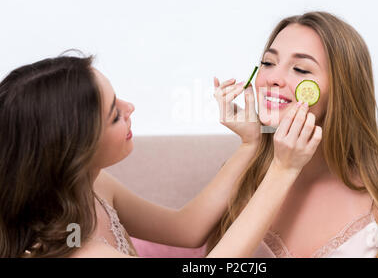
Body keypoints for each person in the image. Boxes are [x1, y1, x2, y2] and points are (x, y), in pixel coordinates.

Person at [0, 52, 322, 257]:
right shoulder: (82, 253)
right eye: (115, 114)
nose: (130, 109)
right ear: (75, 151)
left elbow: (187, 228)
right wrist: (282, 170)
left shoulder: (94, 187)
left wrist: (250, 144)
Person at [208, 11, 378, 258]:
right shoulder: (240, 177)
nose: (273, 78)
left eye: (300, 69)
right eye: (268, 63)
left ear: (342, 91)